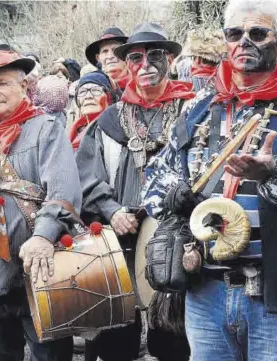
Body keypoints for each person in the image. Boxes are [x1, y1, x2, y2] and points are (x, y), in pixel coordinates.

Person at [142, 1, 277, 360]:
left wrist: (271, 175)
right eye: (235, 34)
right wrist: (176, 196)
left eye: (257, 33)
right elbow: (154, 178)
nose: (244, 42)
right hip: (206, 291)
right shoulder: (200, 104)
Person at [76, 22, 195, 361]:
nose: (145, 65)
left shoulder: (192, 109)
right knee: (117, 338)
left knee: (173, 336)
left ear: (170, 59)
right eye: (136, 58)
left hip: (176, 235)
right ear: (128, 64)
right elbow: (86, 173)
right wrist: (112, 209)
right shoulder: (110, 119)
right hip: (119, 236)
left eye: (155, 55)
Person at [0, 49, 80, 361]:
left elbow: (64, 192)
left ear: (24, 87)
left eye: (2, 83)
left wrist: (41, 236)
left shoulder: (46, 128)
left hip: (40, 275)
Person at [68, 71, 118, 150]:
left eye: (96, 90)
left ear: (109, 97)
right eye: (82, 91)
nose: (88, 96)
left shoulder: (115, 132)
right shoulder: (73, 132)